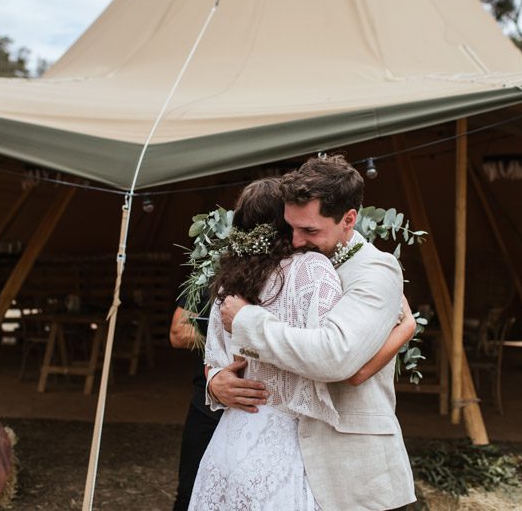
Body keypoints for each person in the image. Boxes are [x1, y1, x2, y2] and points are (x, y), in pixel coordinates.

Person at [189, 177, 415, 510]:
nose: (297, 240)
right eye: (291, 228)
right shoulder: (307, 265)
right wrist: (213, 381)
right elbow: (219, 359)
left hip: (341, 460)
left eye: (309, 231)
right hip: (278, 449)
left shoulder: (372, 269)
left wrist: (406, 328)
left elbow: (336, 358)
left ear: (348, 220)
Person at [167, 298, 221, 511]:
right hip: (206, 404)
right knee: (189, 493)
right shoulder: (207, 270)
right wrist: (223, 337)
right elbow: (177, 333)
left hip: (260, 407)